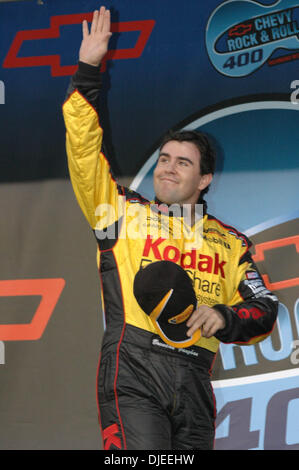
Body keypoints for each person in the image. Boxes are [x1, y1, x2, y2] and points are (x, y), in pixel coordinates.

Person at [62, 7, 278, 450]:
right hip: (134, 369)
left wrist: (224, 316)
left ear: (204, 180)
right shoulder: (120, 212)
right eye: (164, 159)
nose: (168, 169)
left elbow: (265, 307)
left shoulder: (231, 243)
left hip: (197, 378)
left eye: (183, 162)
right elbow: (84, 151)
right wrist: (88, 71)